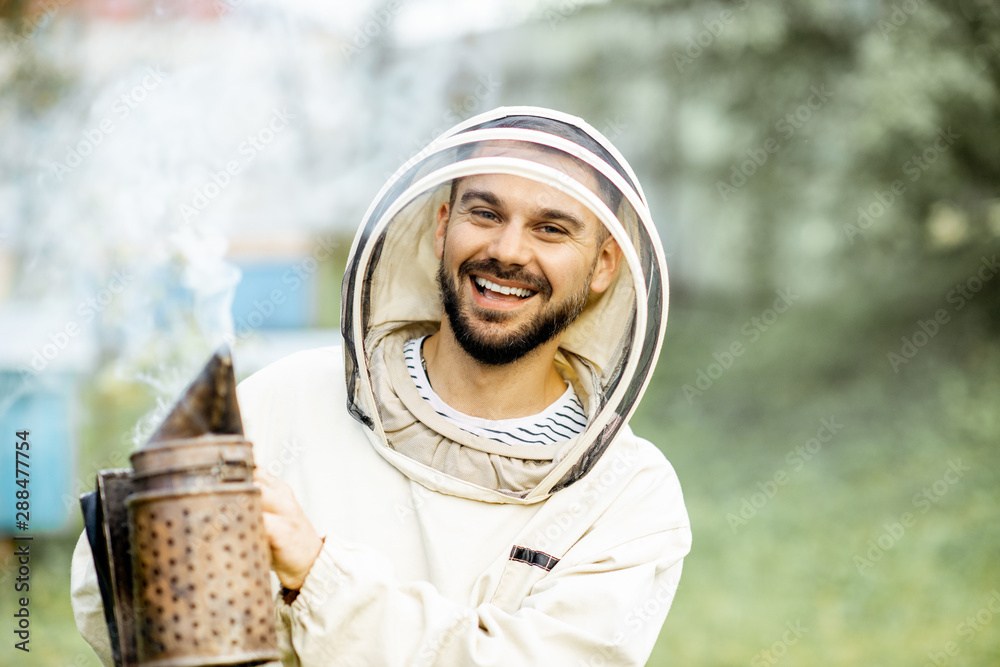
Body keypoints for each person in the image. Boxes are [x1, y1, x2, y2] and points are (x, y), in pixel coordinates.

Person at [71, 107, 691, 666]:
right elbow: (123, 619)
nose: (507, 250)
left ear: (606, 264)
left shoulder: (629, 496)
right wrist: (153, 548)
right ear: (443, 223)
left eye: (551, 229)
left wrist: (315, 575)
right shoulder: (284, 398)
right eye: (485, 213)